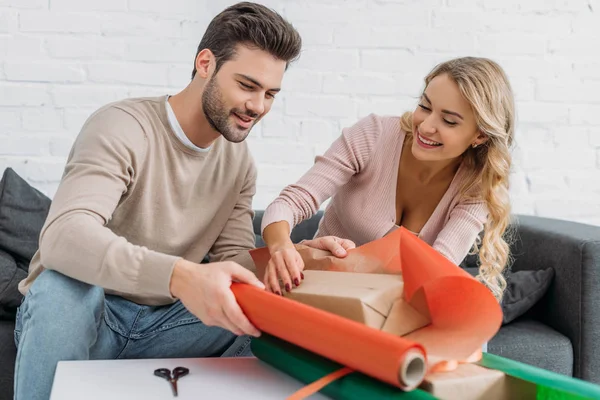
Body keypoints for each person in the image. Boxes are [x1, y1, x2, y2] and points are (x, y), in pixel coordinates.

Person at [11, 3, 345, 400]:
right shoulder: (122, 127)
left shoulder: (239, 163)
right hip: (91, 316)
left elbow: (235, 261)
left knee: (264, 306)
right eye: (247, 85)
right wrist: (182, 276)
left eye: (270, 93)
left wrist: (293, 256)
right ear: (205, 63)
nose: (258, 106)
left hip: (168, 327)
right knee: (61, 287)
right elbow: (64, 237)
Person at [260, 56, 515, 303]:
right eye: (424, 106)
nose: (426, 126)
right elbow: (292, 201)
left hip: (395, 308)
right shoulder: (374, 135)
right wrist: (283, 247)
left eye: (448, 121)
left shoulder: (477, 186)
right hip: (322, 293)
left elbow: (437, 272)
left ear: (479, 136)